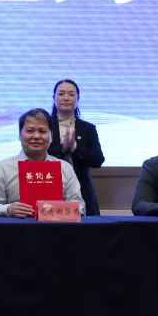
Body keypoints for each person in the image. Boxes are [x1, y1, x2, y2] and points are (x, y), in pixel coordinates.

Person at [0, 108, 84, 217]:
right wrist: (8, 209)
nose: (36, 136)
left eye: (42, 131)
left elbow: (80, 207)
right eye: (30, 131)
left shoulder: (65, 168)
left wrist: (57, 211)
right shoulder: (2, 168)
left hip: (56, 227)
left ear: (51, 136)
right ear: (20, 135)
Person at [47, 79, 105, 216]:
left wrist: (75, 147)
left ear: (78, 98)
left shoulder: (88, 128)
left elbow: (98, 160)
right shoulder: (45, 126)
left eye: (71, 94)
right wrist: (62, 148)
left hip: (83, 191)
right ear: (54, 98)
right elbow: (38, 156)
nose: (66, 98)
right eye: (61, 94)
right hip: (49, 188)